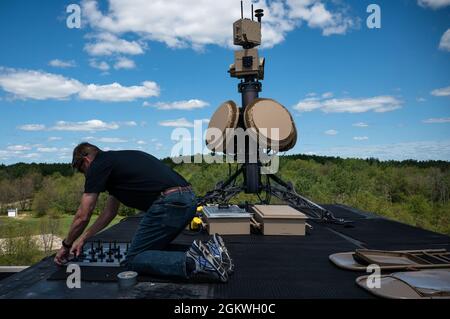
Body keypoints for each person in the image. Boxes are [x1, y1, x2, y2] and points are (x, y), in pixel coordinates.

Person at [54, 142, 233, 282]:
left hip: (170, 203)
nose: (85, 175)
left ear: (86, 161)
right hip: (187, 200)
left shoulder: (98, 165)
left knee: (133, 258)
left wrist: (67, 245)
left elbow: (83, 214)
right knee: (153, 249)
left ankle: (199, 262)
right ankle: (213, 252)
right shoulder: (116, 164)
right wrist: (84, 238)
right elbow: (109, 212)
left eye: (81, 170)